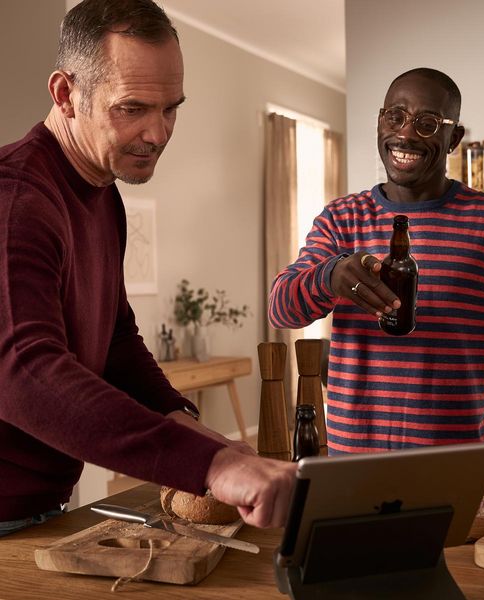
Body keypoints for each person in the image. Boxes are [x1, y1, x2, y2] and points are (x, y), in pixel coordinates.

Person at [0, 0, 296, 537]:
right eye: (132, 108)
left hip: (39, 510)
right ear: (66, 95)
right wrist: (214, 465)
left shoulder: (100, 192)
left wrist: (192, 432)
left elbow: (113, 340)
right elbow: (26, 372)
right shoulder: (17, 200)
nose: (158, 133)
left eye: (170, 108)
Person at [269, 67, 484, 455]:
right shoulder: (341, 218)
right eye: (395, 116)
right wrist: (329, 277)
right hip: (351, 468)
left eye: (428, 123)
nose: (406, 133)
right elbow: (281, 310)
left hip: (457, 466)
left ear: (454, 139)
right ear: (380, 122)